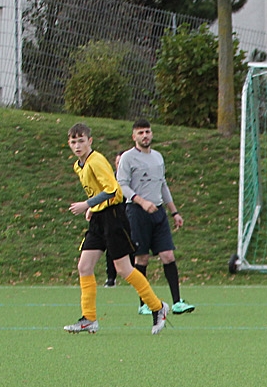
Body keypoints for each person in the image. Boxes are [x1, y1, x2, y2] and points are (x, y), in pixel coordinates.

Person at [61, 123, 169, 335]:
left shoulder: (96, 160)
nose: (77, 146)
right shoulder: (79, 165)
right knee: (84, 266)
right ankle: (89, 318)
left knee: (123, 269)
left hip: (113, 217)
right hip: (99, 218)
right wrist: (93, 208)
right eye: (74, 142)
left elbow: (112, 190)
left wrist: (87, 204)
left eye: (81, 141)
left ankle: (157, 307)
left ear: (90, 141)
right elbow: (98, 190)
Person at [114, 119, 194, 314]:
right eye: (140, 133)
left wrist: (174, 211)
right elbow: (122, 185)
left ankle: (177, 302)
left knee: (168, 255)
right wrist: (142, 202)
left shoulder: (158, 157)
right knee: (142, 258)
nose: (145, 136)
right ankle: (144, 304)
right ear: (134, 136)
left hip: (158, 212)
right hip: (137, 212)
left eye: (147, 132)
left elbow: (162, 184)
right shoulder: (127, 158)